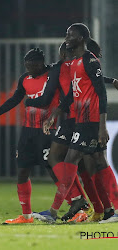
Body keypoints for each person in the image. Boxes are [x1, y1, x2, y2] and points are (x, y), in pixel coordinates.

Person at [0, 48, 74, 224]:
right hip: (28, 131)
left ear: (40, 64)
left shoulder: (52, 76)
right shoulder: (25, 79)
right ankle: (26, 215)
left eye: (32, 66)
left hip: (48, 131)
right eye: (26, 66)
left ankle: (72, 206)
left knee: (54, 173)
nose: (29, 70)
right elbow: (15, 99)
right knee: (22, 171)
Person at [26, 42, 116, 222]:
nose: (62, 55)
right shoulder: (73, 65)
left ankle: (78, 203)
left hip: (78, 118)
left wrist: (32, 102)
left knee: (63, 159)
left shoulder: (66, 66)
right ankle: (101, 209)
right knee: (87, 165)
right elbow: (83, 86)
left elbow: (87, 86)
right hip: (77, 116)